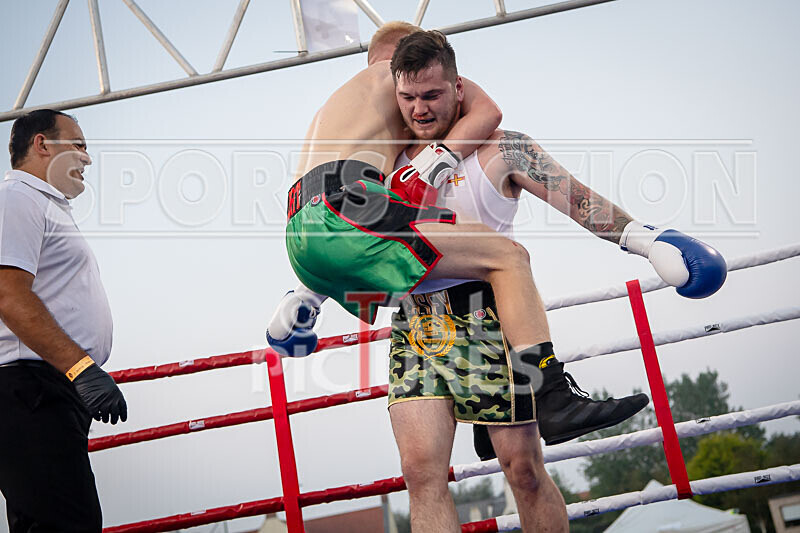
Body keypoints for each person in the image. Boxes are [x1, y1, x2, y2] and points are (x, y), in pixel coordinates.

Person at [383, 30, 726, 532]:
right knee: (419, 474)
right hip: (414, 323)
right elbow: (340, 232)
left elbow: (579, 200)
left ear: (460, 89)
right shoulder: (384, 161)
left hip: (492, 314)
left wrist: (645, 239)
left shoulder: (503, 150)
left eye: (432, 94)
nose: (419, 109)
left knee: (521, 470)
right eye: (408, 97)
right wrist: (307, 290)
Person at [0, 109, 127, 532]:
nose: (87, 158)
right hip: (30, 388)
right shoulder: (16, 199)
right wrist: (81, 367)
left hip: (49, 388)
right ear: (41, 145)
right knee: (65, 523)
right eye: (78, 145)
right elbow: (8, 295)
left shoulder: (40, 204)